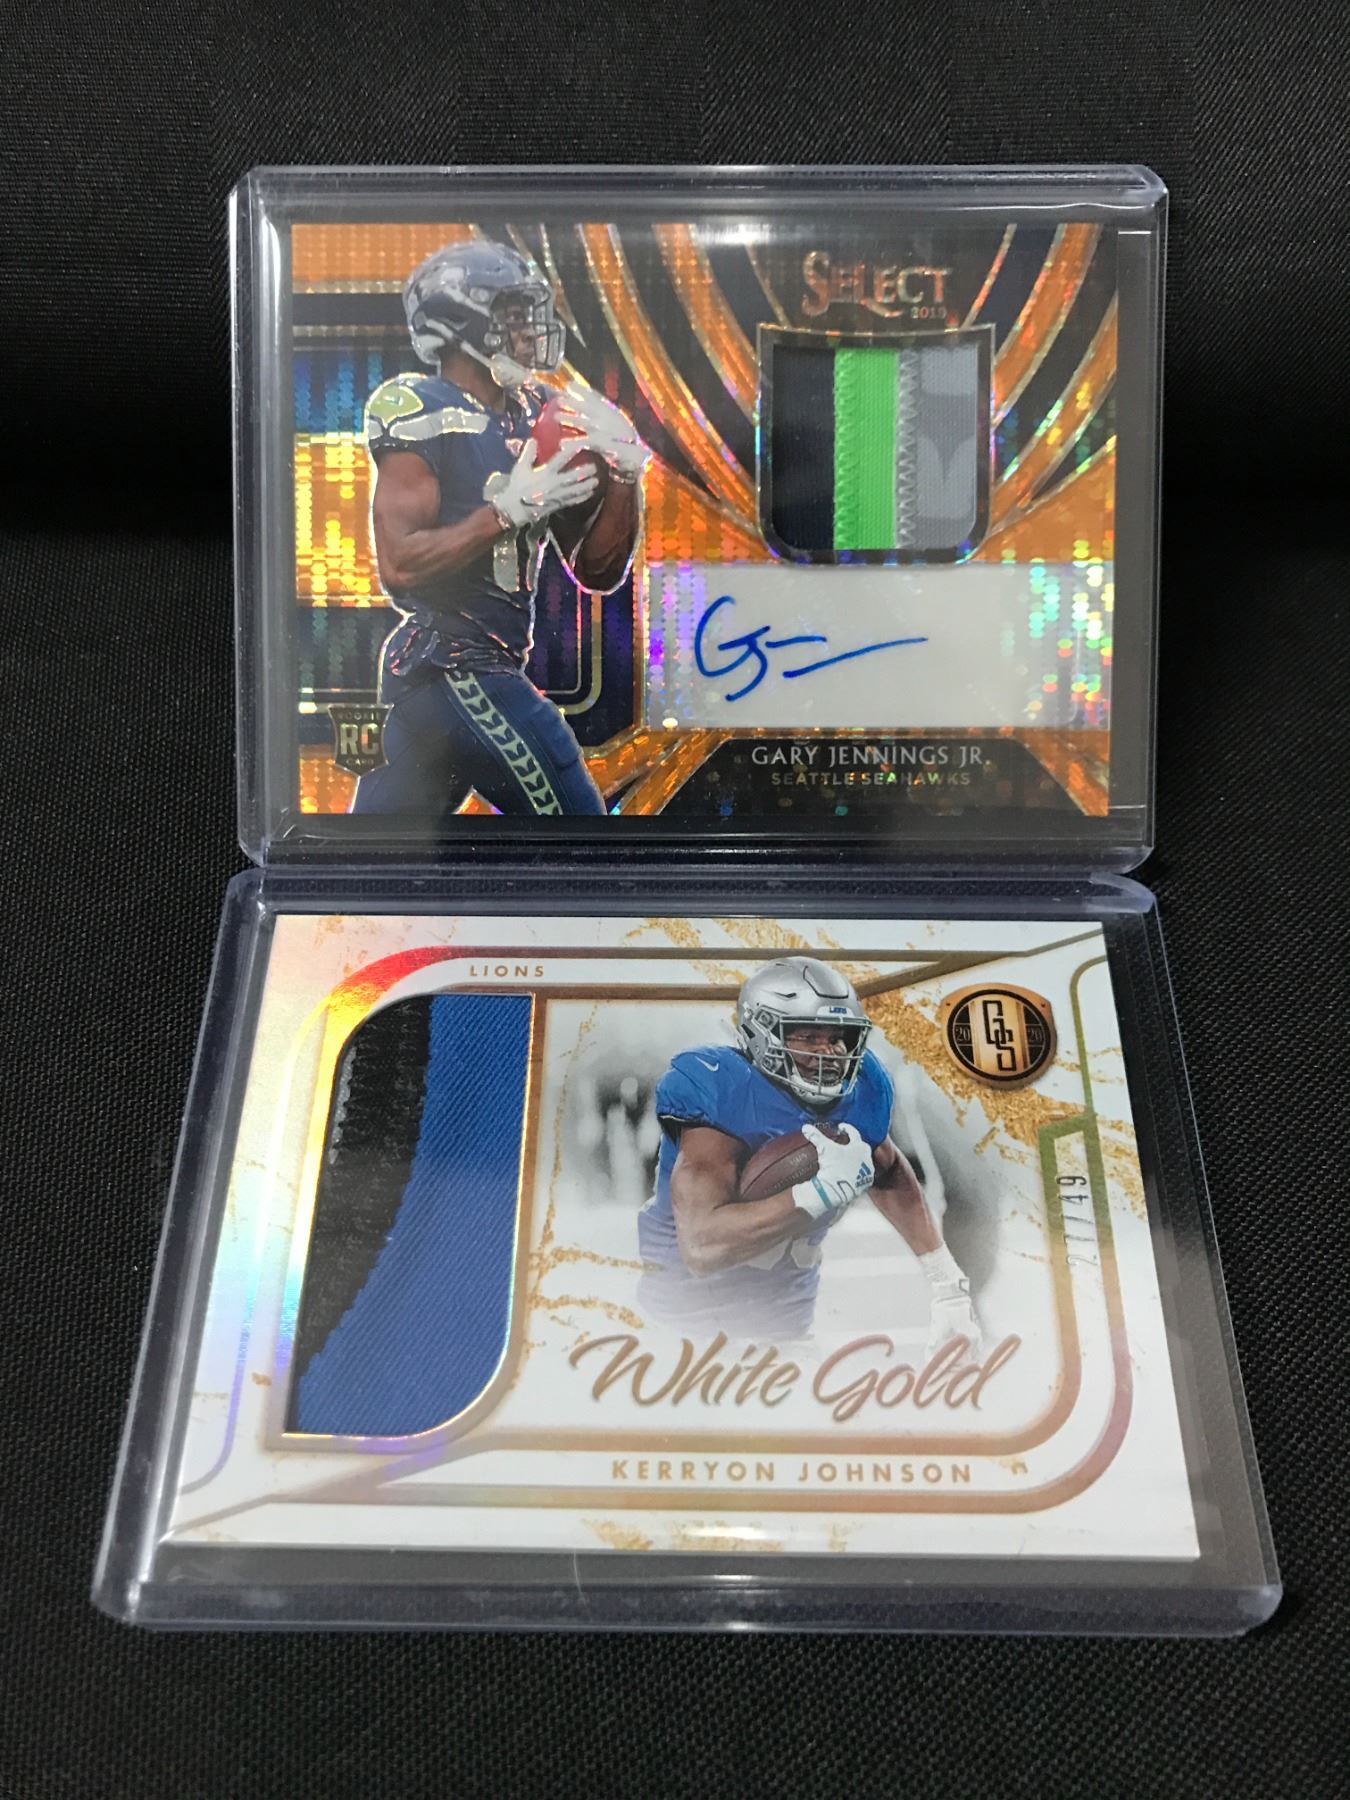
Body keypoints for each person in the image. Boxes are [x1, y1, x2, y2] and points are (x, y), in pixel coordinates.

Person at [352, 238, 647, 820]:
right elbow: (400, 564)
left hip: (456, 676)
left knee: (370, 854)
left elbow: (597, 571)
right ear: (460, 320)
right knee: (583, 836)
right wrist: (504, 512)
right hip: (456, 662)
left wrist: (623, 476)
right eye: (512, 314)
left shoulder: (541, 413)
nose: (529, 330)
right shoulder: (417, 405)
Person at [639, 956, 981, 1348]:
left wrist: (946, 1284)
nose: (829, 1053)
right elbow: (701, 1248)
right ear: (760, 1033)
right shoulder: (722, 1093)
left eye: (837, 1037)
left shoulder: (860, 1091)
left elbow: (886, 1167)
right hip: (683, 1334)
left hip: (788, 1332)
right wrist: (814, 1193)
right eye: (807, 1036)